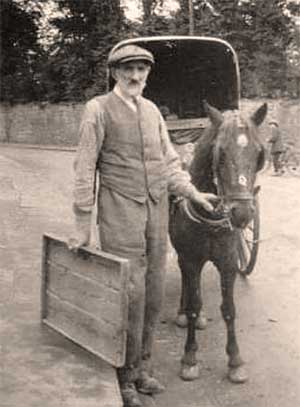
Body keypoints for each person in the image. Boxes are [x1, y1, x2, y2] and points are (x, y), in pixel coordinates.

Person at [69, 44, 218, 407]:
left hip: (155, 216)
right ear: (115, 73)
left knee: (153, 295)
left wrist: (193, 193)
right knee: (130, 296)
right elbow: (85, 168)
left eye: (141, 70)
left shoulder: (152, 112)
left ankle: (141, 369)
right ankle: (123, 376)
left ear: (148, 73)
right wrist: (82, 223)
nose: (136, 77)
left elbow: (168, 163)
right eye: (128, 70)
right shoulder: (98, 110)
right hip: (119, 214)